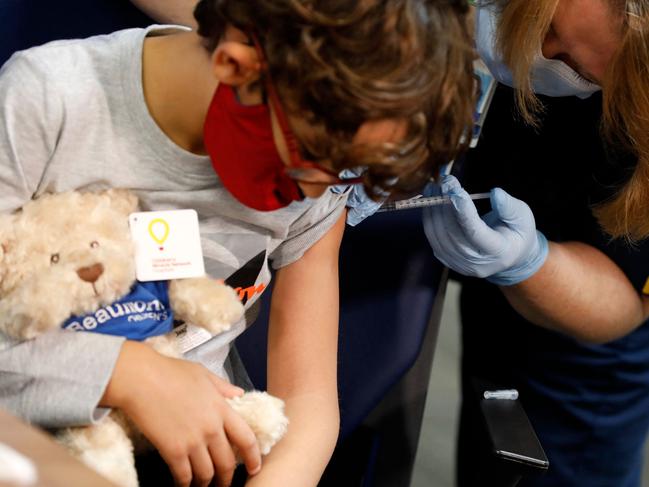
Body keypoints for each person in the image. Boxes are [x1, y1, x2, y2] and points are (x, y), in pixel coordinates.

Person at [0, 1, 476, 487]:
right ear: (235, 66)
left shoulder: (323, 185)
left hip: (195, 455)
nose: (317, 192)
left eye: (346, 170)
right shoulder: (47, 99)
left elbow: (309, 409)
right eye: (312, 159)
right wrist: (129, 374)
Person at [423, 1, 649, 486]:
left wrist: (526, 263)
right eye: (546, 25)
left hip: (574, 346)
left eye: (576, 69)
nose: (541, 55)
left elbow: (625, 304)